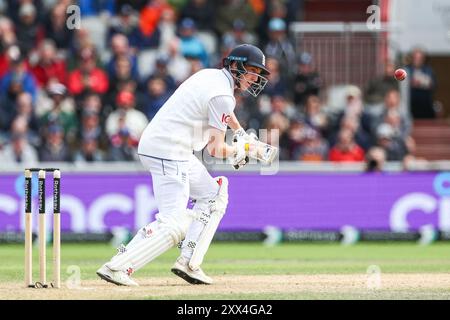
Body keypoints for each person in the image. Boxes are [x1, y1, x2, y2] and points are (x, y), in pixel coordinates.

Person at [96, 44, 270, 286]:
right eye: (251, 70)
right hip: (169, 150)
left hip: (170, 148)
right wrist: (244, 149)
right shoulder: (222, 95)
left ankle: (188, 262)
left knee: (213, 194)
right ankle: (116, 267)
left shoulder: (211, 76)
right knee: (174, 223)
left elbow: (224, 113)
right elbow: (215, 149)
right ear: (235, 65)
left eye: (258, 72)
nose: (255, 77)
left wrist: (241, 134)